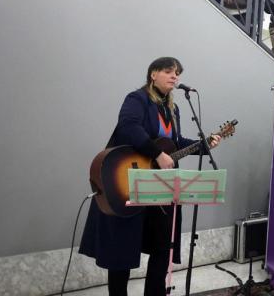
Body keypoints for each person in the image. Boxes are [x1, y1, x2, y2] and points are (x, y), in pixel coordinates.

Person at [79, 56, 221, 296]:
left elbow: (174, 144)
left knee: (162, 245)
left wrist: (204, 144)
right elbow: (128, 126)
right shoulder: (137, 99)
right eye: (168, 71)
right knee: (121, 251)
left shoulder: (172, 108)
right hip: (128, 180)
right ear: (153, 74)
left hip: (160, 187)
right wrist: (156, 153)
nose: (175, 76)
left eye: (177, 73)